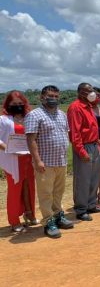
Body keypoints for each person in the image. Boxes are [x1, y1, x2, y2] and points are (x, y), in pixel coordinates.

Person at [25, 85, 74, 238]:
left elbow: (65, 135)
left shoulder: (62, 114)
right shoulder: (34, 115)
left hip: (61, 161)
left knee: (58, 191)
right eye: (50, 96)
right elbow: (31, 139)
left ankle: (58, 215)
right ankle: (48, 222)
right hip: (45, 162)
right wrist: (37, 160)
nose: (53, 99)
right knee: (46, 193)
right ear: (42, 97)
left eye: (55, 96)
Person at [0, 91, 37, 233]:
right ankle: (14, 221)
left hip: (28, 158)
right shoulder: (3, 120)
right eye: (14, 104)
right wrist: (8, 149)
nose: (18, 106)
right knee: (15, 190)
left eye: (20, 103)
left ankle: (30, 214)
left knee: (30, 187)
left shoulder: (28, 118)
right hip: (13, 159)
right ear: (8, 104)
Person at [67, 83, 100, 221]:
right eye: (88, 91)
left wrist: (98, 145)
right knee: (82, 179)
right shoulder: (76, 107)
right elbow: (75, 132)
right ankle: (81, 209)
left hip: (94, 145)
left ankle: (91, 204)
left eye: (92, 91)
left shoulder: (89, 106)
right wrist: (81, 151)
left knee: (94, 177)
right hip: (83, 146)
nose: (91, 93)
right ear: (80, 92)